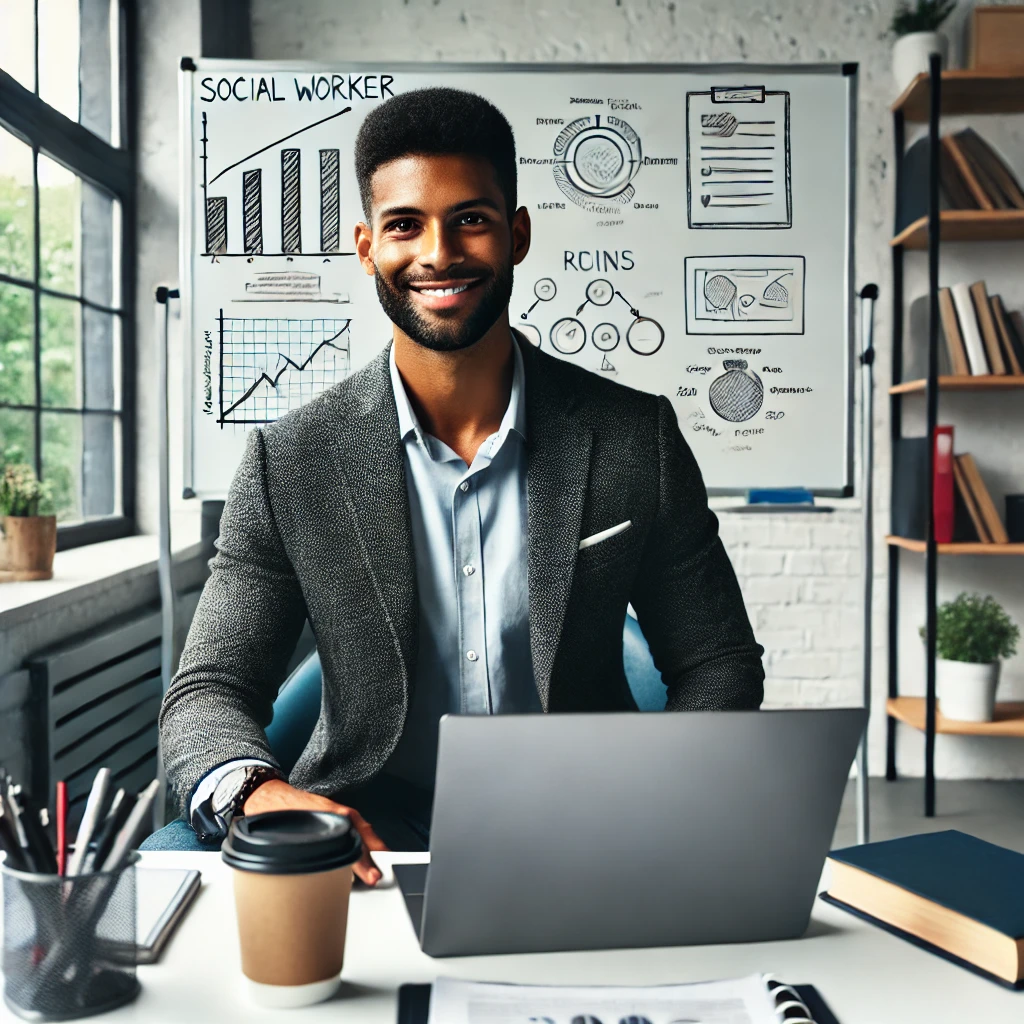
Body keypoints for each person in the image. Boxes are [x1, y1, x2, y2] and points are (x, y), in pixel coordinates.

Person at [157, 87, 764, 883]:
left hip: (589, 808)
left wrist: (657, 793)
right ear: (367, 246)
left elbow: (718, 661)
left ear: (515, 235)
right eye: (406, 225)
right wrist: (257, 791)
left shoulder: (631, 437)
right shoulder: (290, 461)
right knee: (166, 865)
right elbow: (209, 687)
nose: (437, 253)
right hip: (373, 816)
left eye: (470, 219)